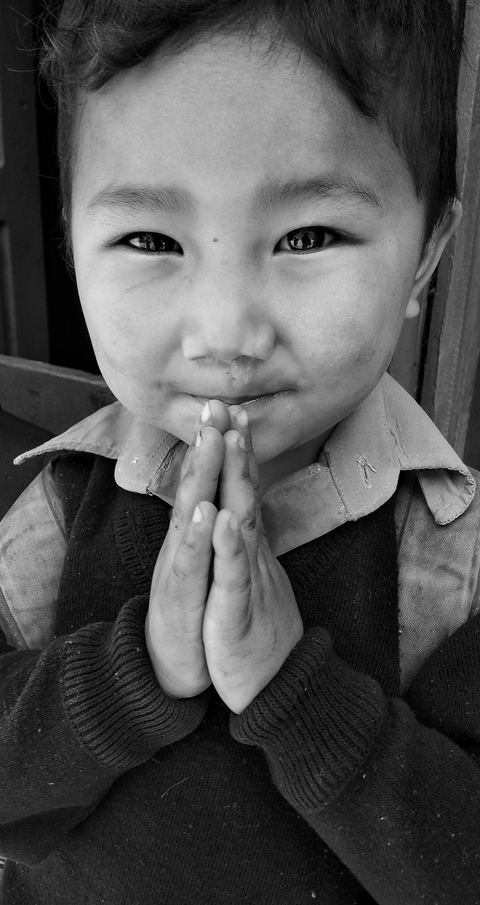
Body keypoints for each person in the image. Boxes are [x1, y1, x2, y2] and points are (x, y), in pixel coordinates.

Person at [0, 0, 478, 901]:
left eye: (308, 236)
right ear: (71, 245)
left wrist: (296, 693)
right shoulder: (57, 516)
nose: (225, 332)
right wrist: (129, 672)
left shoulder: (452, 558)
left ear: (424, 258)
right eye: (150, 239)